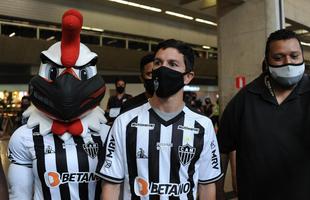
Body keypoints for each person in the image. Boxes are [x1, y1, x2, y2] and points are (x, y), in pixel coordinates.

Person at [97, 39, 223, 200]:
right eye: (158, 63)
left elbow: (206, 186)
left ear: (188, 77)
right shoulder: (124, 122)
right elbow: (111, 186)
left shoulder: (203, 126)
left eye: (172, 64)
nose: (163, 69)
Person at [7, 9, 110, 199]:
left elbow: (115, 189)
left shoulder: (106, 135)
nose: (67, 87)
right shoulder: (24, 137)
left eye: (81, 74)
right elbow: (19, 193)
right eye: (55, 73)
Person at [217, 29, 310, 200]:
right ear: (266, 61)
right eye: (278, 57)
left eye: (294, 56)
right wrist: (218, 192)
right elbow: (222, 148)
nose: (288, 63)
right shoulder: (245, 99)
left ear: (302, 58)